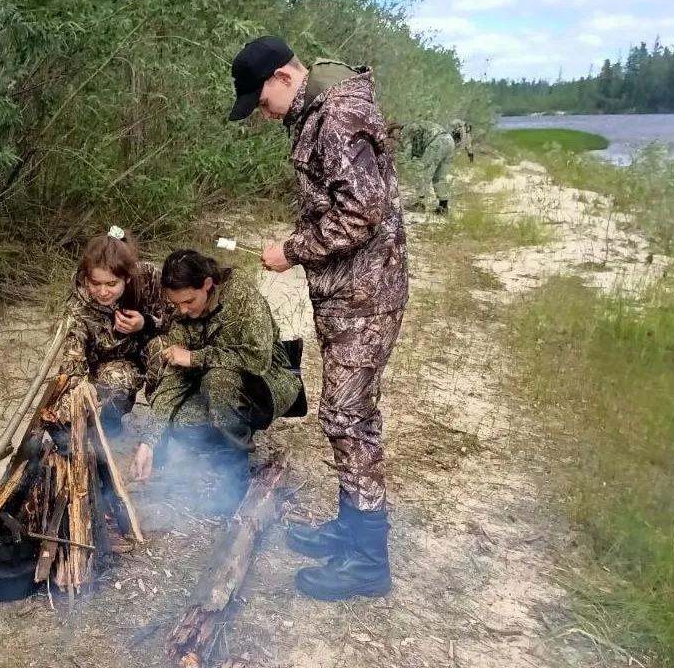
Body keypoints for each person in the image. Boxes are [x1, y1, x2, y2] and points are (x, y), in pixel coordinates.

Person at [228, 35, 408, 601]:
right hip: (349, 291)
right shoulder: (320, 111)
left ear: (283, 77)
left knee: (347, 418)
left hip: (365, 295)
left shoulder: (336, 116)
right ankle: (350, 529)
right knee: (348, 414)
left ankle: (366, 561)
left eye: (261, 100)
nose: (262, 111)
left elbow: (363, 213)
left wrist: (294, 250)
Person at [129, 251, 302, 511]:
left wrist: (196, 358)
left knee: (217, 380)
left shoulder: (240, 294)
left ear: (208, 284)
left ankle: (234, 473)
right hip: (223, 386)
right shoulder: (181, 312)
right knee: (180, 422)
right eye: (176, 304)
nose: (183, 310)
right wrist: (148, 441)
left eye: (189, 301)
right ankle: (229, 432)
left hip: (270, 381)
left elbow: (258, 359)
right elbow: (174, 379)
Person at [50, 227, 166, 435]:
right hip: (110, 366)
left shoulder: (150, 279)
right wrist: (70, 405)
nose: (102, 292)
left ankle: (163, 425)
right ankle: (111, 423)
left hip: (150, 352)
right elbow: (72, 360)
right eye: (95, 283)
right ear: (86, 279)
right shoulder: (78, 307)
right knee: (117, 380)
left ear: (127, 279)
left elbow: (181, 320)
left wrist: (146, 324)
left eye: (111, 284)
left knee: (166, 350)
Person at [393, 120, 456, 214]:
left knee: (422, 173)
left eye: (391, 135)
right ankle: (443, 206)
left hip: (437, 142)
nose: (394, 138)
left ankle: (419, 204)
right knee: (439, 177)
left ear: (396, 130)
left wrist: (396, 159)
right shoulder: (413, 127)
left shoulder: (405, 132)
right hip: (449, 141)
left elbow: (407, 154)